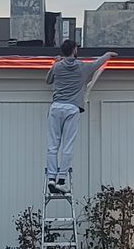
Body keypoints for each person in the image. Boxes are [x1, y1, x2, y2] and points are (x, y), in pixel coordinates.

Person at [45, 40, 115, 195]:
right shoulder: (82, 67)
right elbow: (97, 63)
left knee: (53, 145)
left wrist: (55, 63)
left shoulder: (57, 66)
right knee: (67, 145)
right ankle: (61, 180)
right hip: (72, 108)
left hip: (56, 107)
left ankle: (51, 178)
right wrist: (108, 54)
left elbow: (48, 80)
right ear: (75, 50)